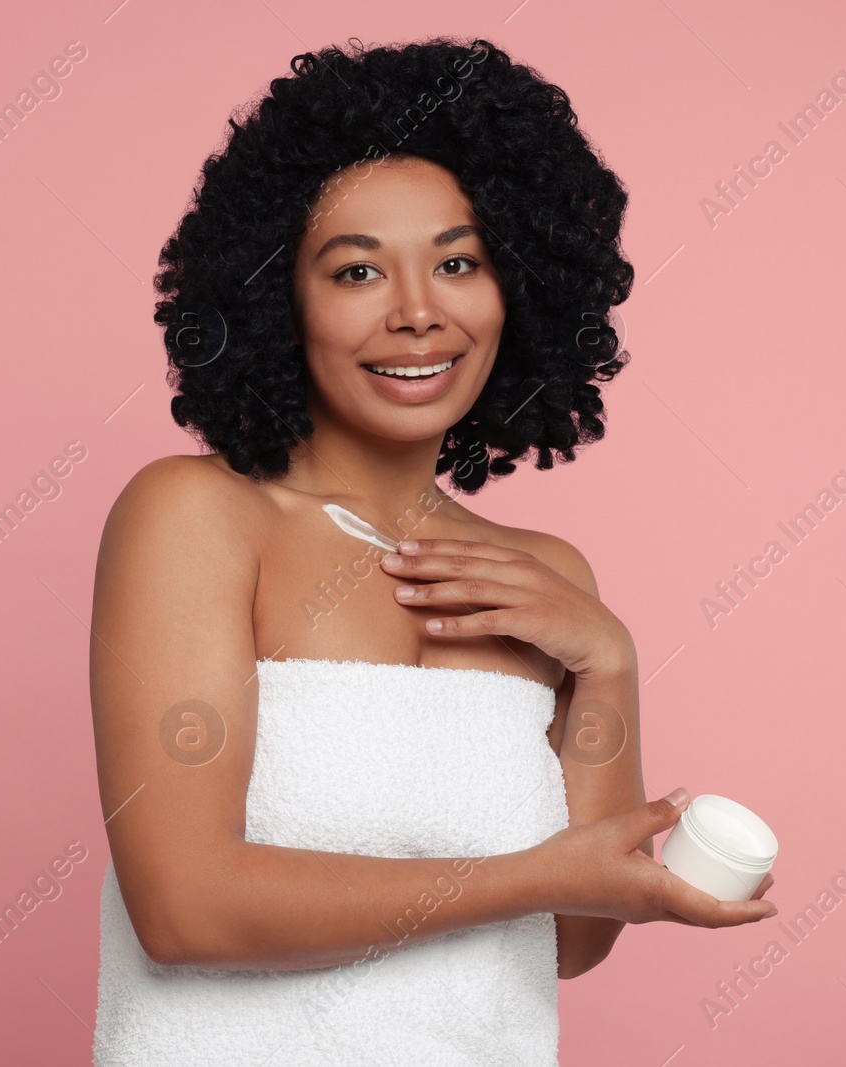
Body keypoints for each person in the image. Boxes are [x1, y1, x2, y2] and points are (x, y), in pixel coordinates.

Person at [89, 36, 776, 1066]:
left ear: (521, 290)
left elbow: (574, 939)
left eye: (459, 262)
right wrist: (537, 875)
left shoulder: (547, 579)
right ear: (280, 297)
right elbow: (186, 907)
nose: (418, 312)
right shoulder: (194, 516)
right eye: (357, 269)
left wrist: (609, 661)